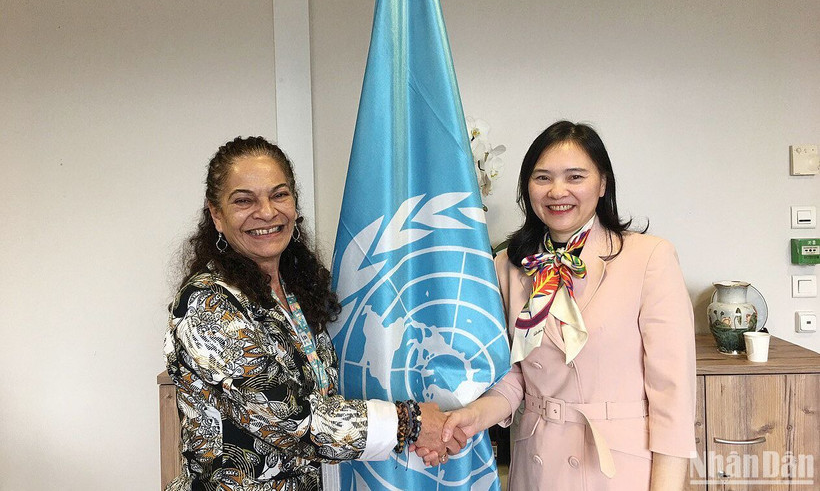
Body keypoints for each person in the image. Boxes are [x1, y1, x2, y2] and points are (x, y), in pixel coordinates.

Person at [163, 136, 464, 491]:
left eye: (279, 195)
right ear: (216, 215)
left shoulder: (295, 291)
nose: (267, 212)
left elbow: (324, 398)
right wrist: (409, 423)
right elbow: (289, 419)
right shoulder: (206, 303)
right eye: (244, 200)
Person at [423, 121, 696, 489]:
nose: (557, 191)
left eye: (575, 177)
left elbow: (673, 396)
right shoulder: (507, 266)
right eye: (543, 178)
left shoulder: (649, 257)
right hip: (538, 466)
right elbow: (514, 376)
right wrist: (474, 416)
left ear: (602, 183)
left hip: (619, 469)